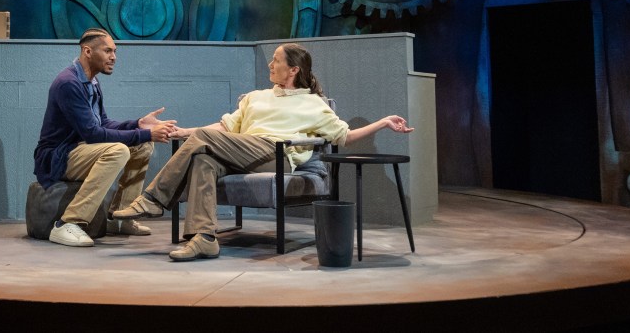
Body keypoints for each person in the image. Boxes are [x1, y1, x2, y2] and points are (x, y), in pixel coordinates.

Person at [112, 42, 413, 261]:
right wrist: (183, 132)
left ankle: (153, 199)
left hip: (275, 156)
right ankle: (203, 238)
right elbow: (224, 127)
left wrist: (383, 122)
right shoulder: (255, 97)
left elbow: (345, 136)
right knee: (203, 159)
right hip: (242, 151)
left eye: (276, 60)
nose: (270, 64)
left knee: (204, 143)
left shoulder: (314, 104)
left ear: (293, 69)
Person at [34, 27, 176, 247]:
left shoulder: (92, 82)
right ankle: (67, 223)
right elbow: (93, 134)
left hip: (79, 149)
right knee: (118, 151)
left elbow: (103, 123)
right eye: (108, 51)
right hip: (57, 157)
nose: (114, 57)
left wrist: (138, 124)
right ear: (87, 51)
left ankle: (119, 219)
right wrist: (147, 132)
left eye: (114, 51)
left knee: (143, 146)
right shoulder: (69, 83)